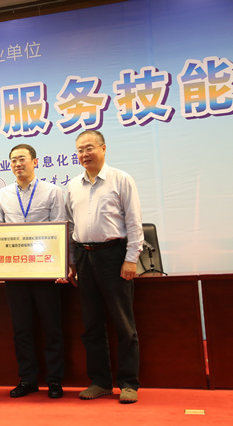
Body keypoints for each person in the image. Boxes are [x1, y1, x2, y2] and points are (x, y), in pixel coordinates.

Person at [65, 129, 143, 404]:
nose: (84, 154)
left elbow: (134, 222)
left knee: (123, 324)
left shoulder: (121, 179)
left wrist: (131, 259)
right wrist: (72, 261)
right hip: (84, 256)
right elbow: (70, 227)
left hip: (114, 255)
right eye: (80, 150)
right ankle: (100, 382)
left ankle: (128, 383)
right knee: (92, 324)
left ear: (103, 148)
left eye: (89, 148)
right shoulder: (72, 185)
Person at [0, 143, 66, 399]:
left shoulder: (52, 191)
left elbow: (61, 228)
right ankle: (28, 379)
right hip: (15, 272)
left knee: (52, 327)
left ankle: (54, 380)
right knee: (21, 329)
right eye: (13, 160)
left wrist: (64, 266)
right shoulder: (3, 194)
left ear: (35, 162)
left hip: (46, 271)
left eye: (22, 159)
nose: (17, 164)